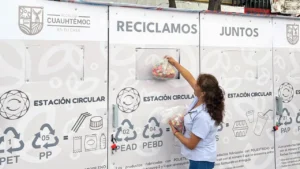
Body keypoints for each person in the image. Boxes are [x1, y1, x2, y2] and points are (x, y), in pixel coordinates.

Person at [165, 55, 225, 169]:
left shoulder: (204, 116)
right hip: (198, 160)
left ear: (203, 92)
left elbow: (191, 144)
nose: (194, 85)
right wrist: (175, 63)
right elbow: (189, 78)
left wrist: (176, 132)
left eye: (197, 85)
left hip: (201, 162)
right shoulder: (201, 98)